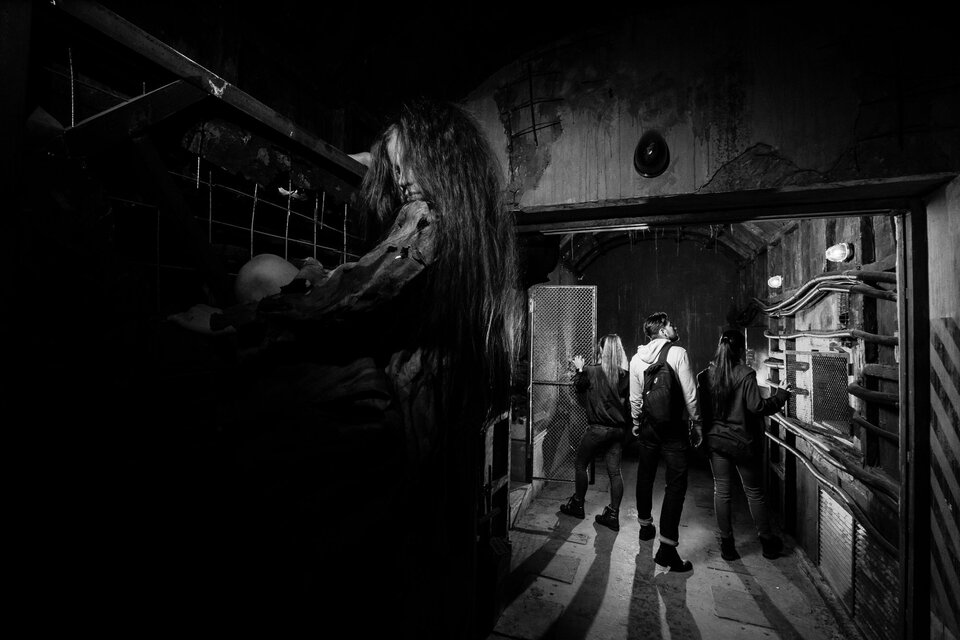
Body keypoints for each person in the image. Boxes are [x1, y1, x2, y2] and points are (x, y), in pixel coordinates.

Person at [168, 98, 523, 638]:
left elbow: (361, 292)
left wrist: (230, 320)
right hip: (440, 419)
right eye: (394, 168)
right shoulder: (476, 231)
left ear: (436, 155)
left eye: (404, 163)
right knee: (426, 554)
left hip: (406, 414)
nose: (400, 178)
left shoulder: (430, 218)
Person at [696, 329, 791, 561]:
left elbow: (703, 411)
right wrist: (781, 395)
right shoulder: (746, 374)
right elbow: (757, 407)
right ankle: (767, 543)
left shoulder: (705, 376)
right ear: (740, 349)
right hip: (741, 442)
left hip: (717, 441)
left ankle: (727, 545)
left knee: (722, 491)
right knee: (754, 493)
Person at [629, 311, 702, 572]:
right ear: (661, 330)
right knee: (676, 483)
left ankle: (645, 526)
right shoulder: (678, 353)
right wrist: (697, 422)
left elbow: (635, 398)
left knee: (645, 475)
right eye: (670, 324)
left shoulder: (636, 358)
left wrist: (636, 421)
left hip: (648, 425)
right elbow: (690, 393)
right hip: (673, 427)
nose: (674, 327)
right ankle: (667, 548)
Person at [559, 334, 631, 531]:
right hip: (618, 430)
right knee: (614, 472)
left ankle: (577, 505)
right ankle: (613, 515)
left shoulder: (592, 370)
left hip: (597, 429)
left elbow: (579, 389)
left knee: (580, 464)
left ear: (601, 350)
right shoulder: (625, 375)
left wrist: (579, 368)